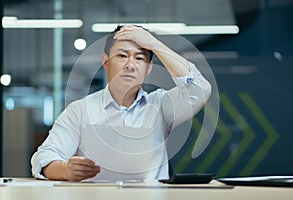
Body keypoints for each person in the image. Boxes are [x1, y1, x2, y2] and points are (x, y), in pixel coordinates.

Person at [31, 25, 212, 182]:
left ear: (149, 68)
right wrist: (66, 170)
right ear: (106, 62)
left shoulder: (161, 106)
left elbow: (200, 89)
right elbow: (45, 157)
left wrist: (154, 44)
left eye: (139, 58)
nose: (130, 65)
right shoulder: (79, 110)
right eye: (122, 56)